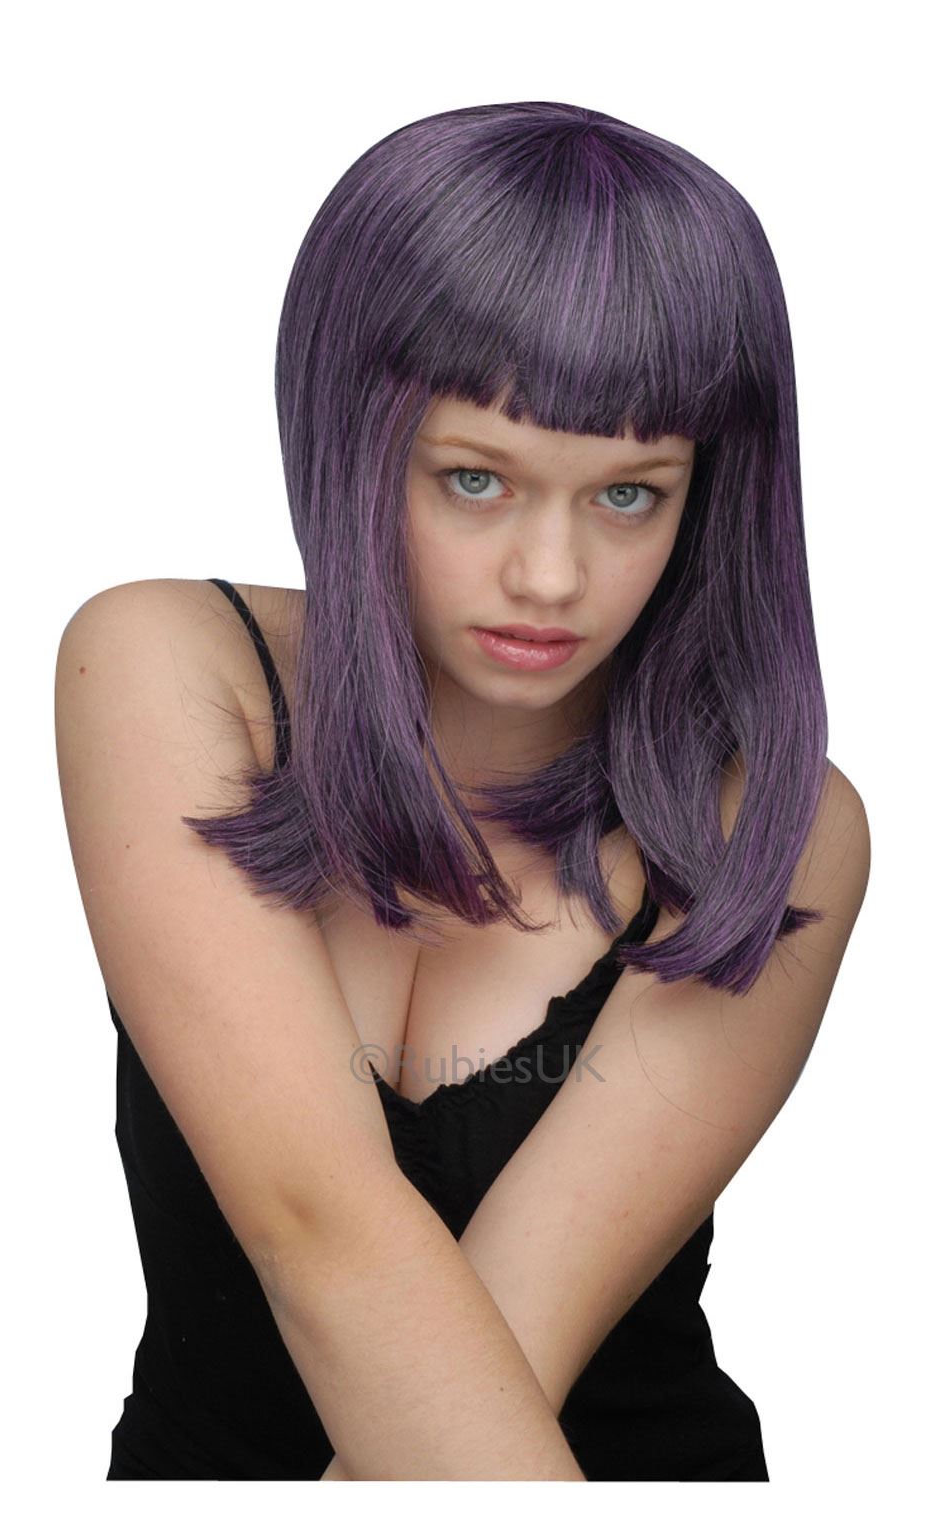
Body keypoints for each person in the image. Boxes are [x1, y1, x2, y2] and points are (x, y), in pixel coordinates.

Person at [54, 101, 870, 1481]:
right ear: (353, 439)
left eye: (629, 495)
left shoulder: (771, 831)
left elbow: (491, 1365)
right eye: (477, 478)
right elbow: (322, 1234)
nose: (551, 578)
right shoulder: (164, 665)